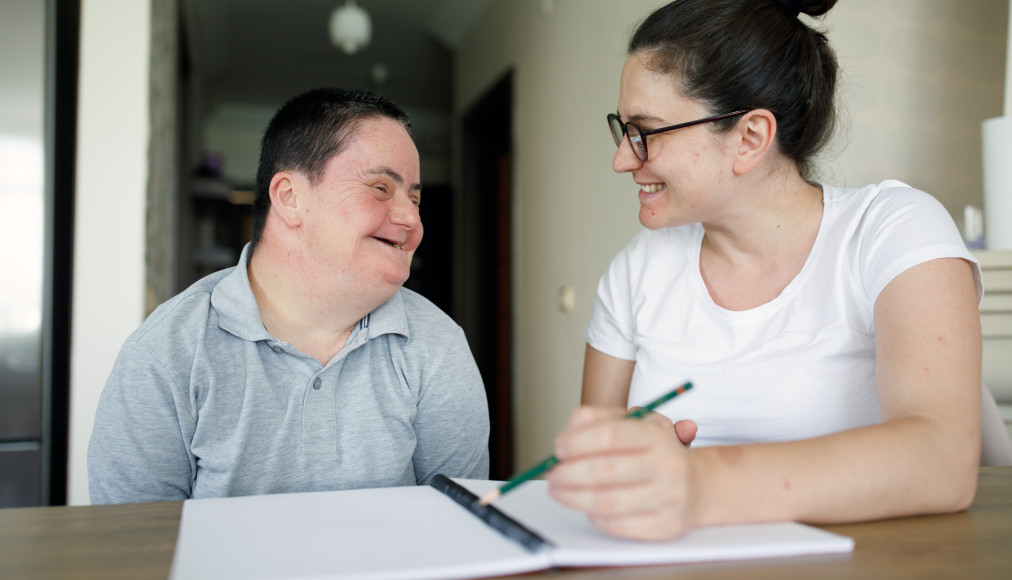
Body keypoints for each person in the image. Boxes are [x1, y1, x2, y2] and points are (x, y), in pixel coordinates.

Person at [546, 0, 983, 540]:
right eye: (623, 129)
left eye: (647, 131)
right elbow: (597, 467)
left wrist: (696, 483)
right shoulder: (635, 271)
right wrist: (626, 465)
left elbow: (942, 461)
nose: (622, 158)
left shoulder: (892, 229)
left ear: (751, 137)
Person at [88, 88, 490, 503]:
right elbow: (133, 550)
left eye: (415, 198)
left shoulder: (438, 346)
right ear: (289, 197)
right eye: (381, 188)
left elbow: (462, 534)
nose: (412, 219)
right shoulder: (165, 355)